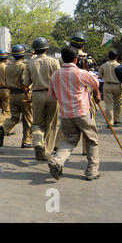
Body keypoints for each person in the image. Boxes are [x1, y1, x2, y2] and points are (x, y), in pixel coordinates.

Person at [48, 46, 101, 181]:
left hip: (66, 114)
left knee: (70, 140)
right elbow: (96, 83)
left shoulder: (55, 75)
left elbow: (52, 94)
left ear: (62, 59)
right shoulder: (80, 73)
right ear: (76, 59)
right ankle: (91, 171)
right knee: (92, 140)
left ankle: (57, 160)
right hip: (82, 112)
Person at [24, 37, 60, 161]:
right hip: (52, 94)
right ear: (47, 48)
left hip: (37, 94)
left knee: (37, 123)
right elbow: (60, 79)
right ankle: (46, 152)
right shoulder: (54, 61)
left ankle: (38, 142)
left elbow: (26, 83)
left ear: (34, 50)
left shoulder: (30, 63)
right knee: (51, 124)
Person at [0, 45, 33, 148]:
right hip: (22, 94)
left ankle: (3, 128)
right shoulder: (23, 66)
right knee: (27, 119)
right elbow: (24, 83)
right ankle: (26, 141)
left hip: (12, 95)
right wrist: (27, 97)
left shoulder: (8, 67)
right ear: (22, 55)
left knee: (14, 118)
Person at [99, 51, 122, 127]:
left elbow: (100, 75)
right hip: (118, 85)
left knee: (108, 104)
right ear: (116, 57)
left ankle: (109, 122)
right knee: (118, 103)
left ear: (108, 57)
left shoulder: (104, 65)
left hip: (107, 85)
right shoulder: (119, 65)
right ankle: (117, 120)